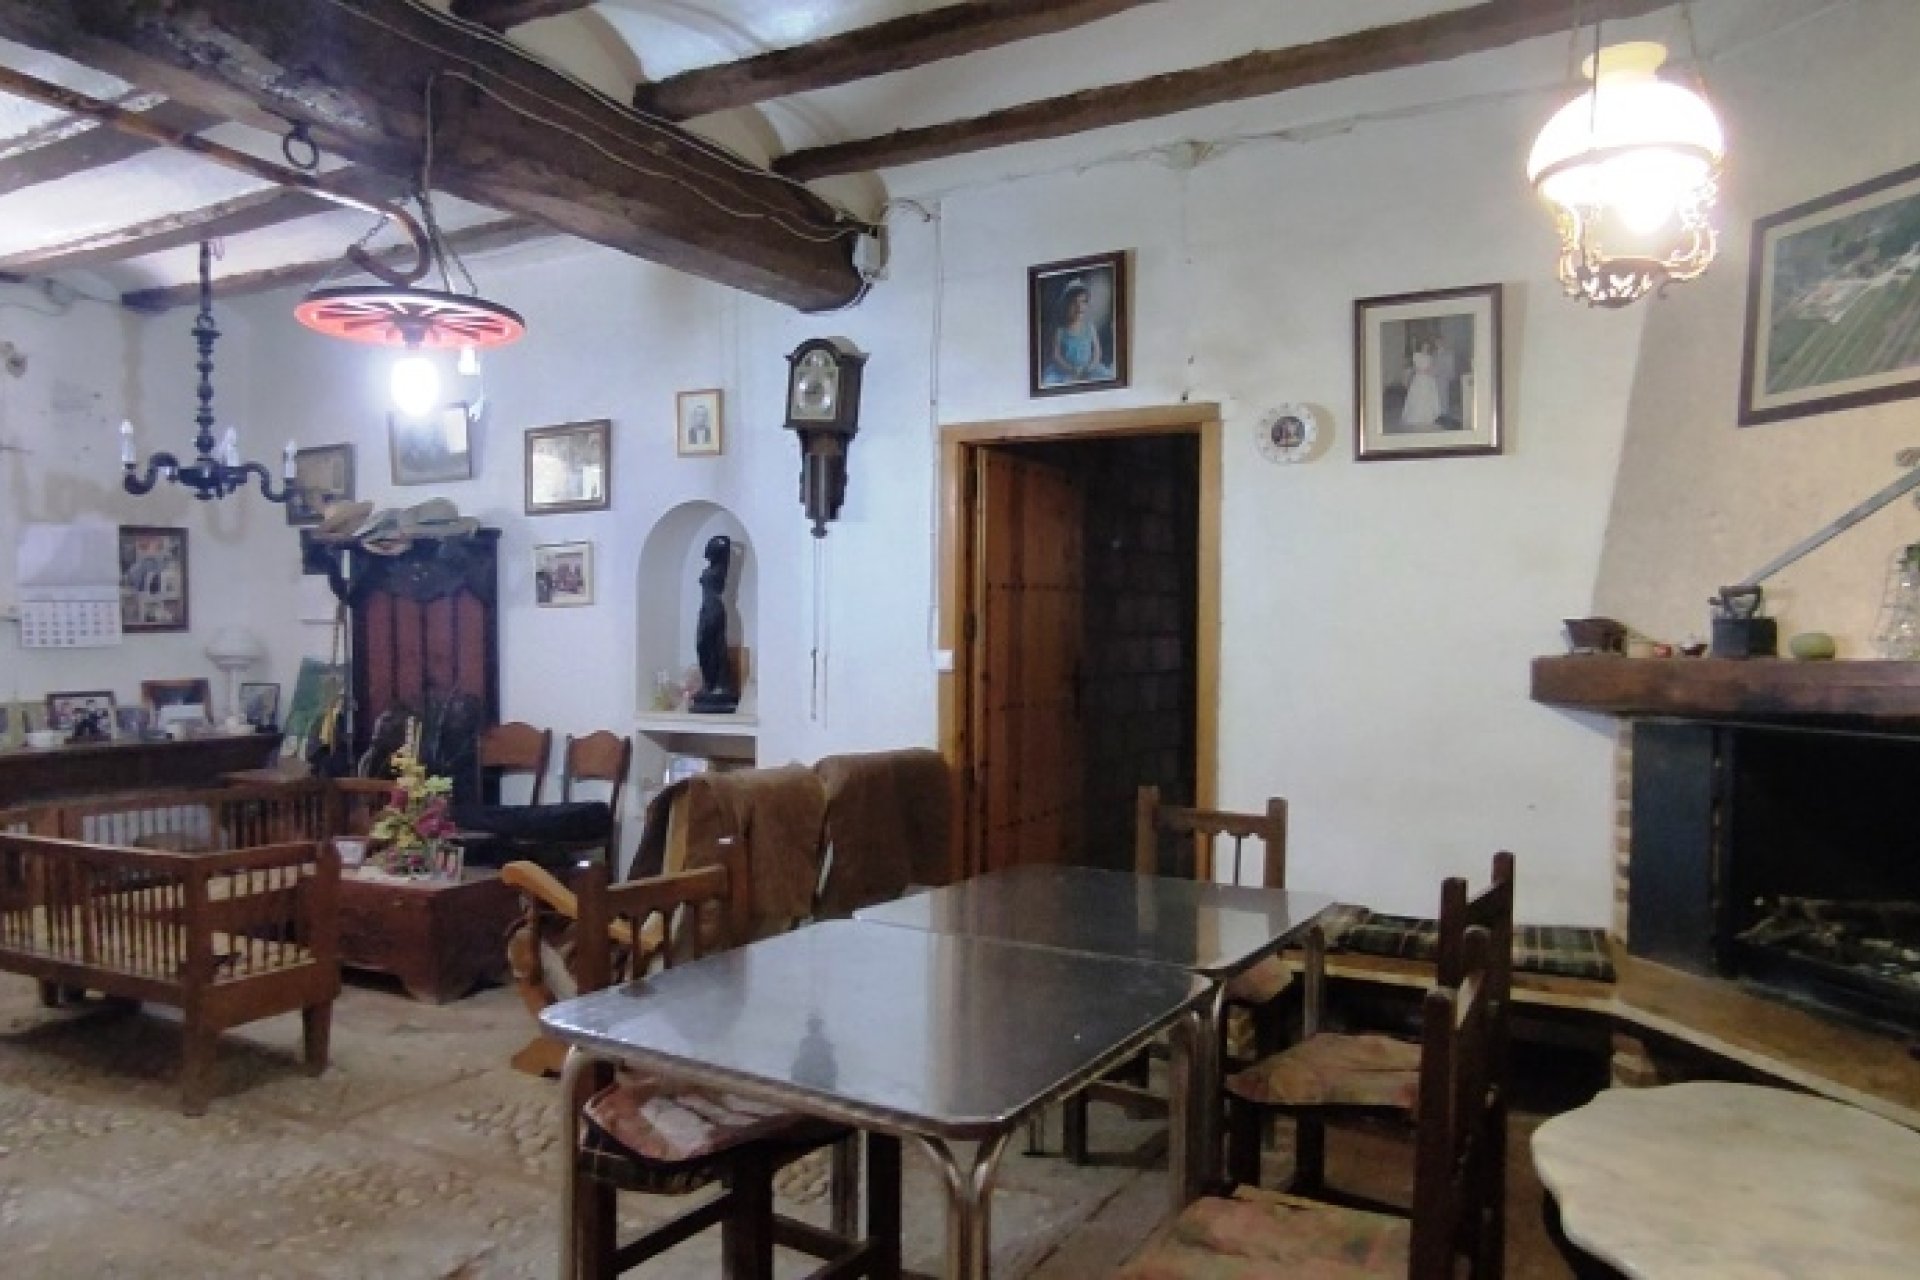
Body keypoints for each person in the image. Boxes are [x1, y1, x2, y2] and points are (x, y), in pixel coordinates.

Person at [1046, 280, 1109, 385]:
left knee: (1103, 378)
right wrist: (1071, 369)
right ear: (1066, 305)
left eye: (1083, 302)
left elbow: (1097, 351)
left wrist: (1091, 366)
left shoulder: (1090, 328)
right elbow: (1056, 355)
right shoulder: (1060, 331)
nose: (1079, 307)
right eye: (1074, 303)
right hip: (1066, 371)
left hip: (1088, 369)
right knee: (1052, 382)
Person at [1399, 338, 1443, 428]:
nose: (1425, 347)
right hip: (1419, 378)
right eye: (1424, 345)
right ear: (1421, 346)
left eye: (1427, 346)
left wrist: (1430, 371)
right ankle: (1416, 416)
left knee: (1427, 396)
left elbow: (1431, 367)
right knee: (1418, 396)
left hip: (1428, 379)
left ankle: (1428, 416)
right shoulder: (1416, 355)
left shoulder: (1429, 357)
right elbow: (1415, 368)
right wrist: (1422, 371)